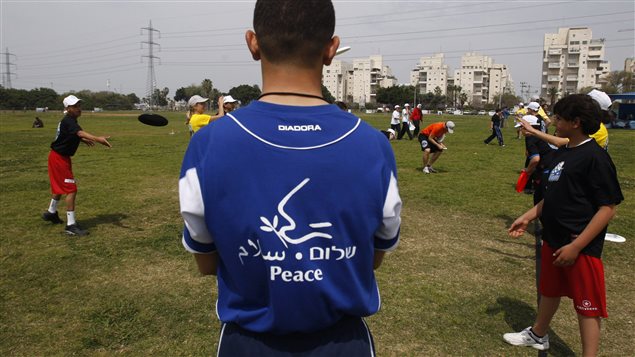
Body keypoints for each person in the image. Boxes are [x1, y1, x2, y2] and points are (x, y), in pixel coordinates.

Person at [179, 1, 401, 355]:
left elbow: (206, 262)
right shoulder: (373, 145)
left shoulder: (208, 145)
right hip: (343, 344)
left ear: (253, 43)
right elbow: (372, 256)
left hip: (247, 343)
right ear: (331, 49)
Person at [505, 94, 623, 355]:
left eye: (559, 118)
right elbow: (555, 196)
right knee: (549, 290)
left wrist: (577, 246)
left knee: (587, 306)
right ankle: (538, 334)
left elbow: (607, 209)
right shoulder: (565, 152)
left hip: (578, 246)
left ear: (576, 122)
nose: (554, 121)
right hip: (554, 238)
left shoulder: (594, 157)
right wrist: (528, 215)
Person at [41, 95, 112, 236]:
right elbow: (78, 132)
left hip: (59, 157)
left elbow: (71, 135)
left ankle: (51, 212)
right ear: (67, 109)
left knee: (60, 186)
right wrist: (98, 139)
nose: (79, 109)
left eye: (79, 106)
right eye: (75, 106)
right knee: (71, 189)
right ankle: (71, 225)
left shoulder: (70, 121)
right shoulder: (69, 120)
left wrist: (83, 140)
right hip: (58, 159)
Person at [516, 115, 554, 202]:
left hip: (547, 168)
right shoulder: (539, 134)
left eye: (522, 127)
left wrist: (528, 170)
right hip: (551, 165)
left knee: (541, 198)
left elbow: (535, 159)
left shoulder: (530, 138)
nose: (521, 129)